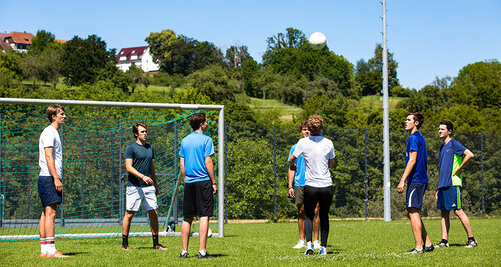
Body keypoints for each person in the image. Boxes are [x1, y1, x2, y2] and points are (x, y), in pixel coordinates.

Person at [289, 115, 335, 256]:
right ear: (321, 127)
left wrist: (293, 164)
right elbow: (332, 164)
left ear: (309, 127)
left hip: (311, 185)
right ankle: (323, 247)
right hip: (326, 185)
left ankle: (309, 245)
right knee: (324, 215)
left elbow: (292, 159)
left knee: (308, 215)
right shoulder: (328, 143)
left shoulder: (303, 142)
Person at [179, 112, 217, 259]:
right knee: (204, 215)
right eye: (206, 121)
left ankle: (184, 251)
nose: (208, 124)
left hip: (189, 182)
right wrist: (213, 182)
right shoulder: (207, 140)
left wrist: (185, 180)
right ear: (201, 124)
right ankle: (202, 251)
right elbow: (208, 161)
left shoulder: (185, 141)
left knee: (187, 217)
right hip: (203, 182)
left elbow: (182, 164)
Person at [121, 122, 166, 251]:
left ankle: (156, 243)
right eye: (142, 132)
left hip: (149, 187)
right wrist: (142, 177)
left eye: (146, 131)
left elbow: (151, 167)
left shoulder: (150, 148)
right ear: (136, 134)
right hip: (134, 187)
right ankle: (125, 244)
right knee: (129, 214)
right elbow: (128, 167)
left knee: (154, 212)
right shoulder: (131, 148)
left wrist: (155, 184)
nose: (145, 133)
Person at [435, 120, 477, 248]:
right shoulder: (441, 148)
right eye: (439, 129)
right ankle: (444, 241)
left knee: (458, 211)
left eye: (443, 129)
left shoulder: (454, 144)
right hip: (443, 185)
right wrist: (438, 187)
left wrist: (460, 168)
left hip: (453, 183)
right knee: (444, 213)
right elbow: (442, 169)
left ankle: (472, 240)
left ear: (449, 131)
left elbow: (470, 155)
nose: (440, 131)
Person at [397, 112, 434, 254]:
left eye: (408, 120)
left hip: (417, 179)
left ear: (416, 122)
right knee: (410, 211)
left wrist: (402, 180)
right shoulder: (419, 137)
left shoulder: (413, 137)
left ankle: (419, 247)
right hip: (419, 180)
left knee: (412, 211)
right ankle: (428, 243)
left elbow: (412, 160)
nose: (405, 122)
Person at [38, 104, 69, 258]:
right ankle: (51, 250)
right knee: (51, 213)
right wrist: (56, 178)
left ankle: (44, 250)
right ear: (53, 116)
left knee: (45, 213)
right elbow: (48, 156)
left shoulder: (52, 132)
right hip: (49, 177)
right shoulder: (50, 132)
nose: (64, 116)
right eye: (61, 114)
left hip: (46, 177)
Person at [287, 120, 321, 249]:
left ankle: (316, 240)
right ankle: (302, 240)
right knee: (301, 211)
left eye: (308, 129)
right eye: (304, 129)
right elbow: (291, 167)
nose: (306, 131)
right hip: (299, 183)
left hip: (314, 182)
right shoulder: (295, 147)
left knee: (315, 210)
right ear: (301, 132)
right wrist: (290, 185)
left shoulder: (317, 145)